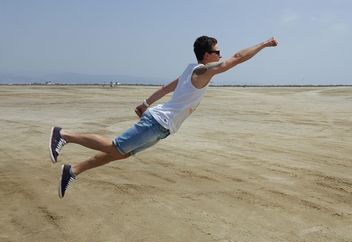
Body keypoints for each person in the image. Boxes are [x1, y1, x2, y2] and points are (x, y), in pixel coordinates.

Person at [49, 36, 278, 198]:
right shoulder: (201, 71)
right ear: (207, 56)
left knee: (122, 154)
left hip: (162, 125)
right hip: (158, 123)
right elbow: (237, 58)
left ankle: (74, 170)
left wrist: (146, 102)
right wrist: (265, 44)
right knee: (116, 146)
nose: (221, 55)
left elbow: (170, 86)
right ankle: (65, 134)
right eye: (218, 52)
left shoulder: (191, 69)